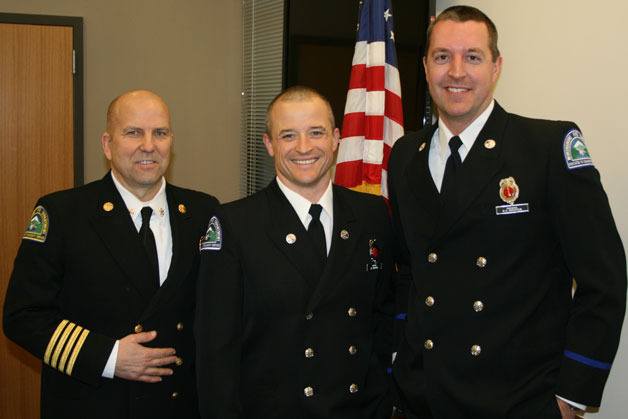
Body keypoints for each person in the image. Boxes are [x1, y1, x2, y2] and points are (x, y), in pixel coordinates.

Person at [387, 6, 626, 419]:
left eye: (473, 57)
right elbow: (410, 270)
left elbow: (603, 280)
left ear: (496, 67)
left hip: (517, 399)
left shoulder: (547, 148)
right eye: (442, 56)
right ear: (426, 67)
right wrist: (400, 357)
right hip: (422, 398)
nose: (456, 72)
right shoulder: (407, 153)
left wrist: (571, 395)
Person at [3, 89, 219, 419]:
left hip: (178, 405)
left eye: (159, 133)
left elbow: (220, 312)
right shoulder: (63, 214)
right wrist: (109, 356)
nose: (149, 145)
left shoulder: (204, 212)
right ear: (107, 144)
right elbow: (23, 316)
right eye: (133, 132)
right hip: (94, 402)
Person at [195, 86, 394, 419]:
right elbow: (216, 351)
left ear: (335, 139)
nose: (304, 147)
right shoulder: (236, 224)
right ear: (270, 145)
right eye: (288, 136)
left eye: (316, 133)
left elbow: (383, 319)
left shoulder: (372, 214)